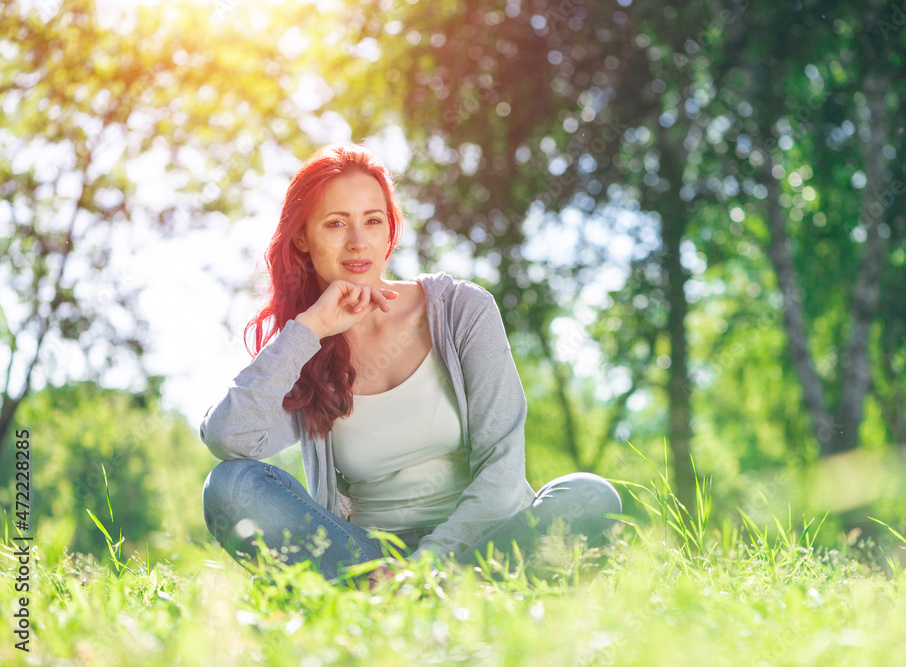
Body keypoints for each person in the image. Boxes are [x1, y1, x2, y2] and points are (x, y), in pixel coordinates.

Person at [200, 143, 621, 587]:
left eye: (372, 220)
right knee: (229, 486)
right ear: (302, 238)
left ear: (389, 230)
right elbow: (230, 440)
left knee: (591, 497)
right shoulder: (308, 345)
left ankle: (412, 598)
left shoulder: (461, 309)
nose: (358, 241)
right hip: (366, 558)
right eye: (336, 223)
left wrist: (426, 568)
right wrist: (308, 330)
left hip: (482, 544)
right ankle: (432, 599)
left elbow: (502, 470)